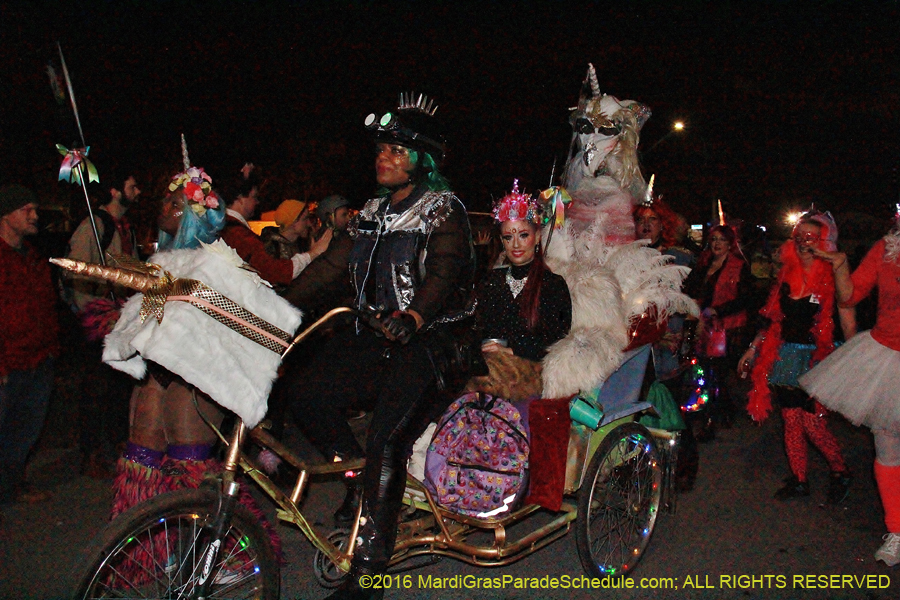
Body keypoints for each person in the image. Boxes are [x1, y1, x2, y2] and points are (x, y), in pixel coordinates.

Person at [289, 92, 475, 600]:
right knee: (304, 396)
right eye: (381, 149)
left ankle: (369, 572)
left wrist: (414, 317)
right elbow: (329, 270)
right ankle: (359, 480)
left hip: (430, 343)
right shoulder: (369, 211)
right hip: (373, 337)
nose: (384, 158)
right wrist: (275, 305)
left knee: (386, 442)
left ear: (422, 160)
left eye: (396, 149)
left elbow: (442, 275)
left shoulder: (444, 211)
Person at [110, 166, 228, 516]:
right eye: (165, 200)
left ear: (193, 216)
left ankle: (220, 558)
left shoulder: (216, 262)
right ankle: (147, 553)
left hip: (192, 376)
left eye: (175, 203)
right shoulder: (159, 262)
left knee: (189, 474)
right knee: (140, 463)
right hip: (155, 371)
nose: (164, 207)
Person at [799, 216, 900, 565]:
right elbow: (849, 296)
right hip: (887, 357)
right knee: (888, 447)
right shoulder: (885, 249)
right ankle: (896, 530)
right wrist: (841, 265)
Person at [739, 211, 852, 503]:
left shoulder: (831, 274)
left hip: (819, 357)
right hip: (787, 356)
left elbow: (847, 310)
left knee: (813, 423)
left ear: (823, 242)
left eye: (811, 238)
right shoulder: (786, 274)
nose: (803, 243)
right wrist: (753, 348)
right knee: (790, 419)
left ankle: (840, 471)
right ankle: (800, 479)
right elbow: (770, 317)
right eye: (799, 237)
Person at [64, 171, 142, 477]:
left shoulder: (125, 228)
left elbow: (133, 266)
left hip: (122, 317)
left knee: (119, 387)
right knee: (96, 389)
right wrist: (94, 311)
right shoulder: (95, 226)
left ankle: (118, 443)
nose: (137, 191)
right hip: (101, 319)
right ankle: (91, 452)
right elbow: (76, 271)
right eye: (132, 185)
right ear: (114, 190)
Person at [0, 184, 60, 506]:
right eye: (27, 210)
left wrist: (52, 346)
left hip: (38, 357)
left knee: (23, 433)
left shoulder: (33, 256)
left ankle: (12, 485)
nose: (35, 216)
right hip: (9, 361)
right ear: (6, 214)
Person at [633, 197, 698, 489]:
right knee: (641, 409)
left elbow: (688, 302)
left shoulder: (678, 258)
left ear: (664, 225)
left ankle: (683, 467)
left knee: (672, 409)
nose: (646, 226)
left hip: (667, 344)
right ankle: (645, 468)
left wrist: (677, 331)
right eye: (641, 220)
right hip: (636, 345)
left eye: (653, 220)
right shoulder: (629, 255)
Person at [683, 224, 754, 438]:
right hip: (704, 326)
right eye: (713, 239)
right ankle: (719, 410)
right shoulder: (704, 265)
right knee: (705, 371)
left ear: (730, 243)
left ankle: (711, 419)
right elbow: (692, 289)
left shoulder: (739, 266)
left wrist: (717, 310)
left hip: (727, 328)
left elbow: (745, 299)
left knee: (717, 373)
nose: (717, 244)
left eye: (721, 240)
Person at [221, 171, 331, 286]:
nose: (257, 202)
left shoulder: (229, 228)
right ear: (240, 199)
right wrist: (313, 253)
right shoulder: (238, 234)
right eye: (254, 197)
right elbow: (274, 273)